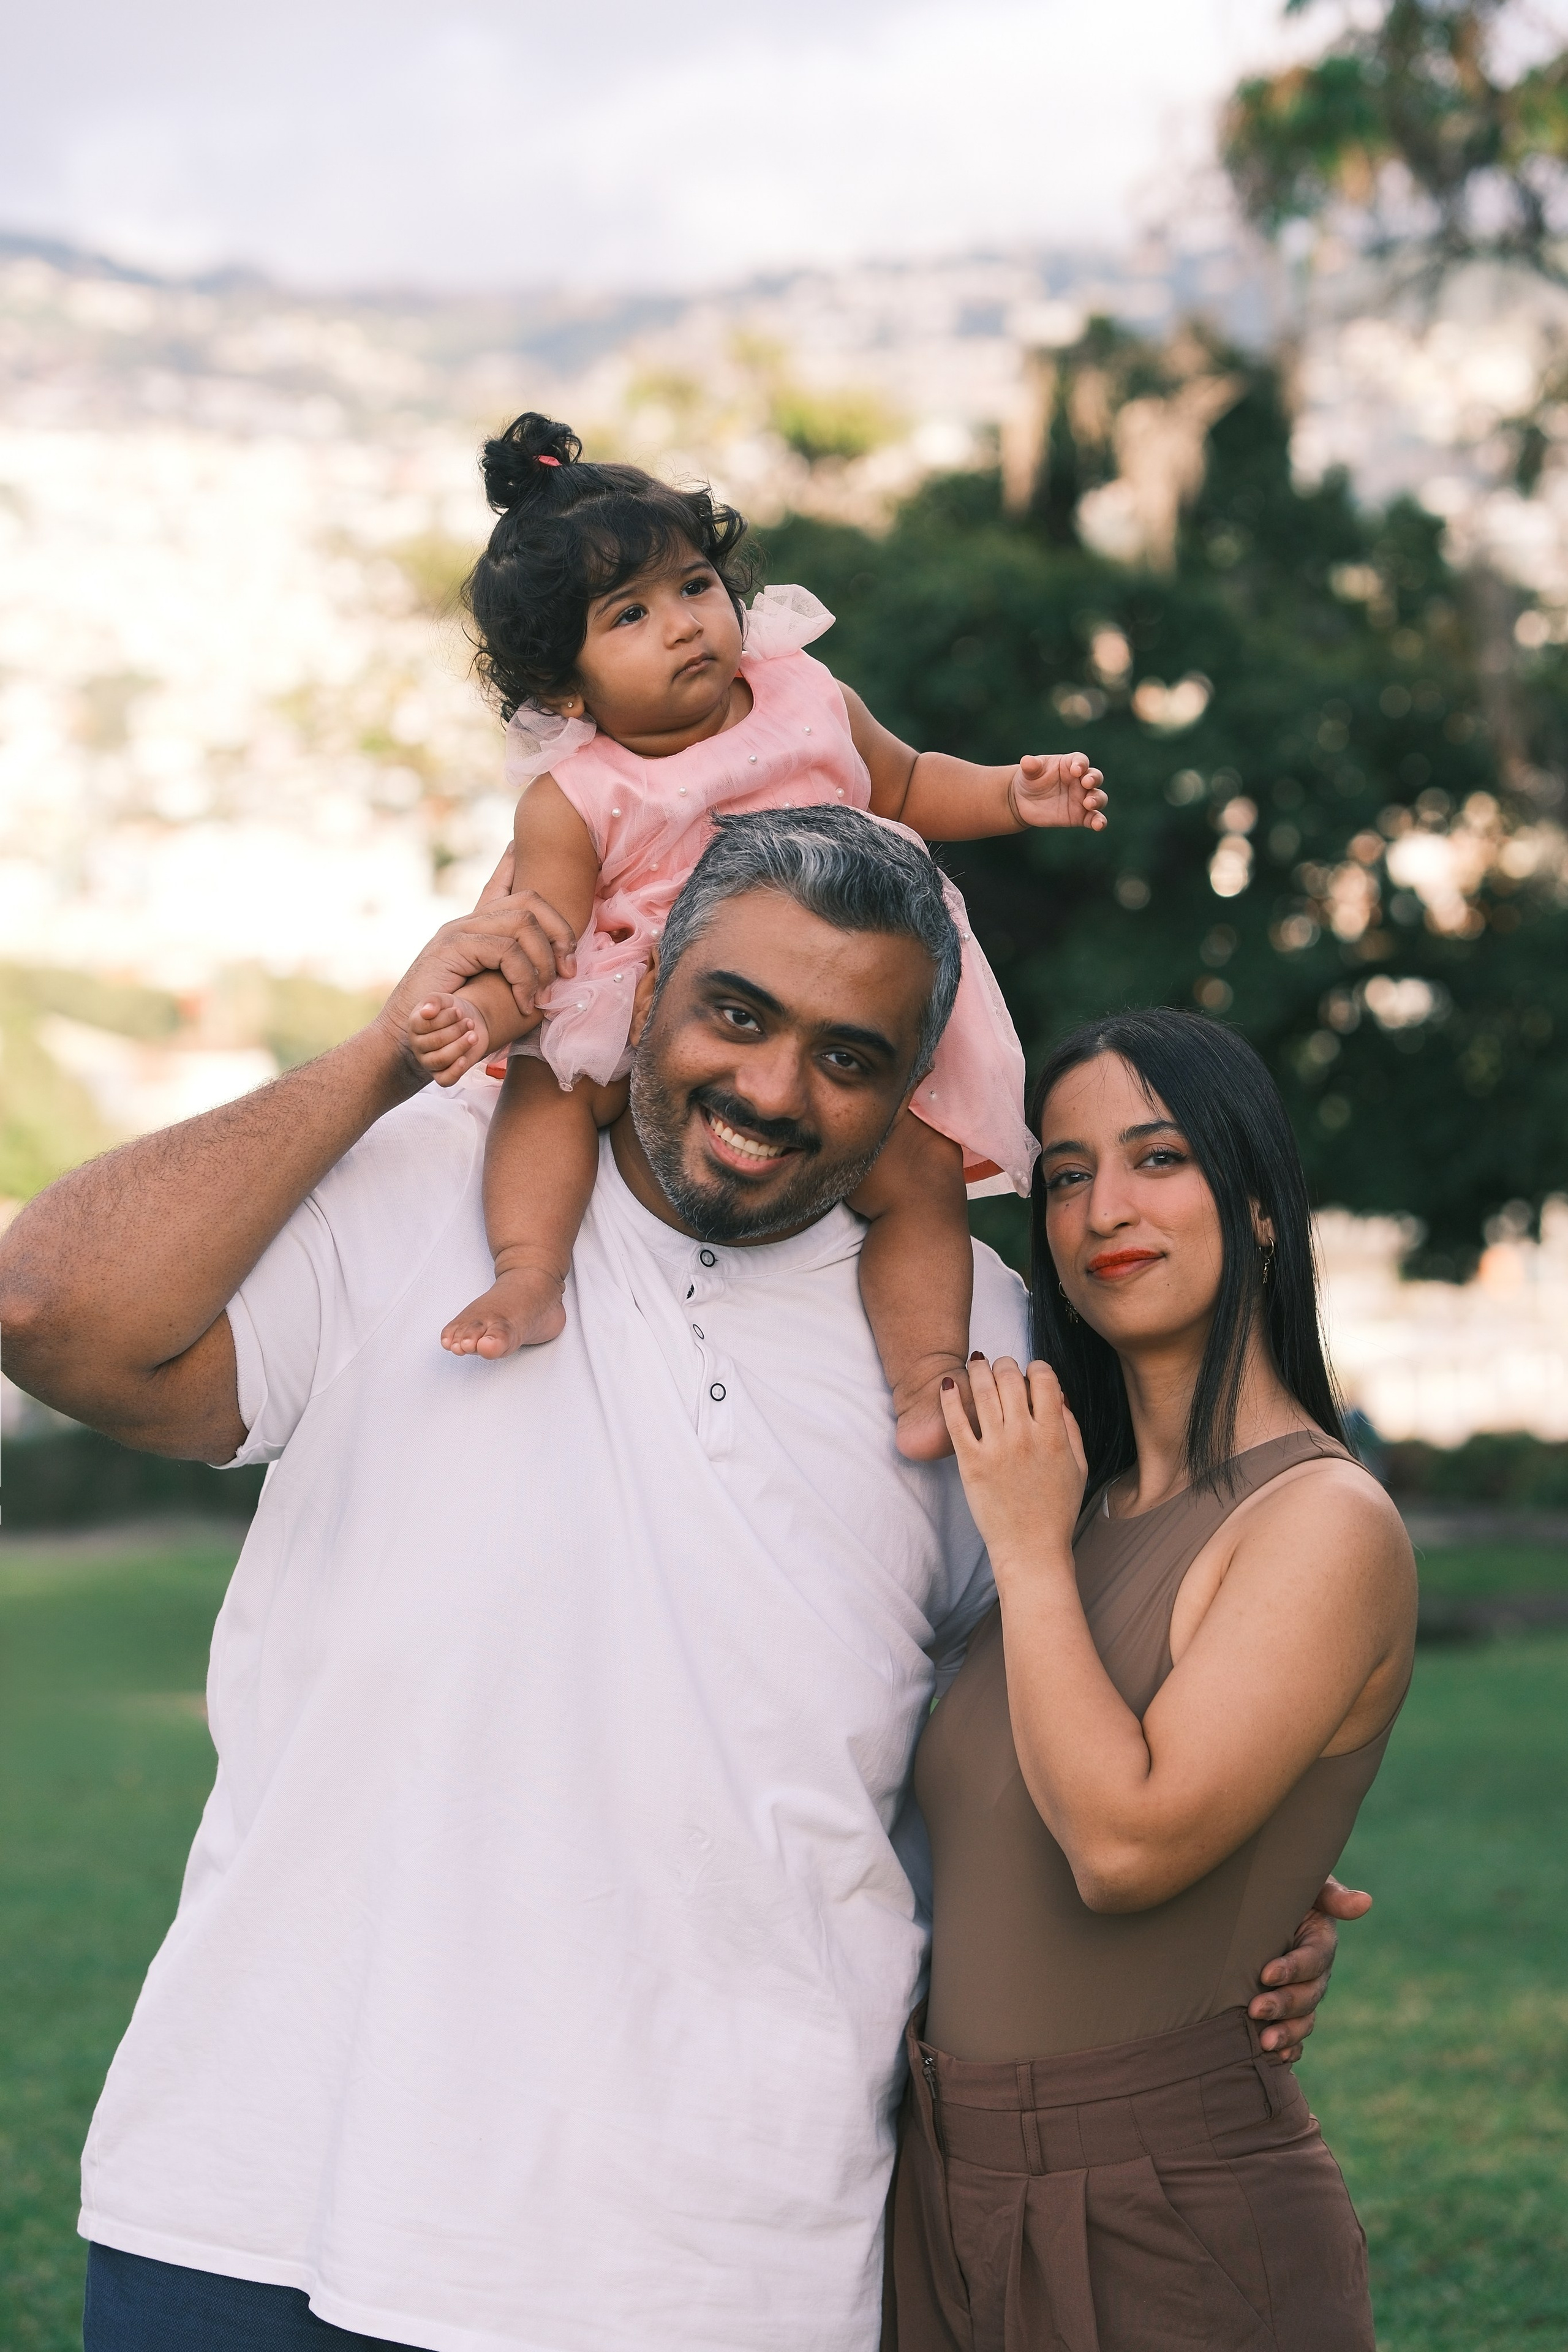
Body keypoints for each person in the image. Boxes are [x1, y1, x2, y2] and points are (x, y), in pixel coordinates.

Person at [0, 818, 1349, 2352]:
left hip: (720, 2262)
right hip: (260, 2205)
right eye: (737, 1013)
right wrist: (391, 1052)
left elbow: (1049, 1749)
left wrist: (1254, 1913)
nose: (775, 1090)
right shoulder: (411, 1195)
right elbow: (50, 1312)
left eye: (850, 1055)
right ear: (641, 988)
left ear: (911, 1087)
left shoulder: (976, 1342)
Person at [404, 410, 1109, 1460]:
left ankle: (927, 1377)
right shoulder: (577, 796)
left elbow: (908, 782)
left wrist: (1015, 792)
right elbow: (538, 939)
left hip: (830, 990)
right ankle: (528, 1273)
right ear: (564, 684)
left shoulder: (803, 693)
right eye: (629, 616)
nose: (686, 624)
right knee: (554, 1093)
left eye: (694, 586)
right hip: (652, 1003)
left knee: (912, 1173)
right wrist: (476, 1011)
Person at [884, 1009, 1417, 2352]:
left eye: (1156, 1157)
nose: (1102, 1210)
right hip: (942, 2188)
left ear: (1254, 1208)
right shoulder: (1078, 1506)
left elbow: (1122, 1849)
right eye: (1063, 1175)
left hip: (1166, 2211)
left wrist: (1019, 1544)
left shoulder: (1323, 1523)